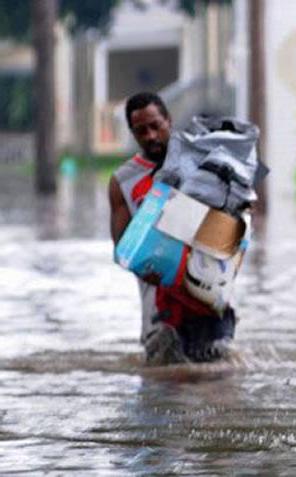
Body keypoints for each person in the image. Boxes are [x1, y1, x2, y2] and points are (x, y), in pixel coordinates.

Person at [109, 92, 236, 365]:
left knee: (220, 383)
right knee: (165, 388)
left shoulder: (203, 165)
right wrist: (143, 266)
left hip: (207, 296)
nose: (151, 136)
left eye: (156, 126)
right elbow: (122, 251)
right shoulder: (123, 181)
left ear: (169, 121)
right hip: (159, 308)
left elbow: (238, 224)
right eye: (141, 131)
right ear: (132, 133)